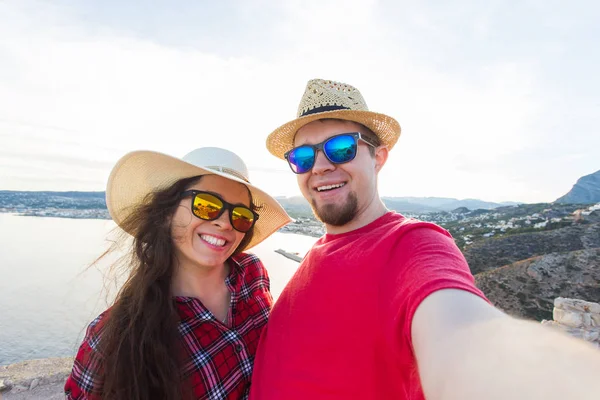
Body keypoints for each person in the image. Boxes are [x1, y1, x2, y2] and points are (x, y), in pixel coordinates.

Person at [250, 79, 600, 400]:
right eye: (302, 157)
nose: (320, 166)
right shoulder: (319, 254)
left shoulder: (412, 245)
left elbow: (467, 339)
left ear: (379, 157)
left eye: (341, 148)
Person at [64, 147, 291, 400]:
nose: (225, 223)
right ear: (166, 213)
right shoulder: (115, 339)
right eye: (206, 205)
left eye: (240, 215)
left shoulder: (251, 274)